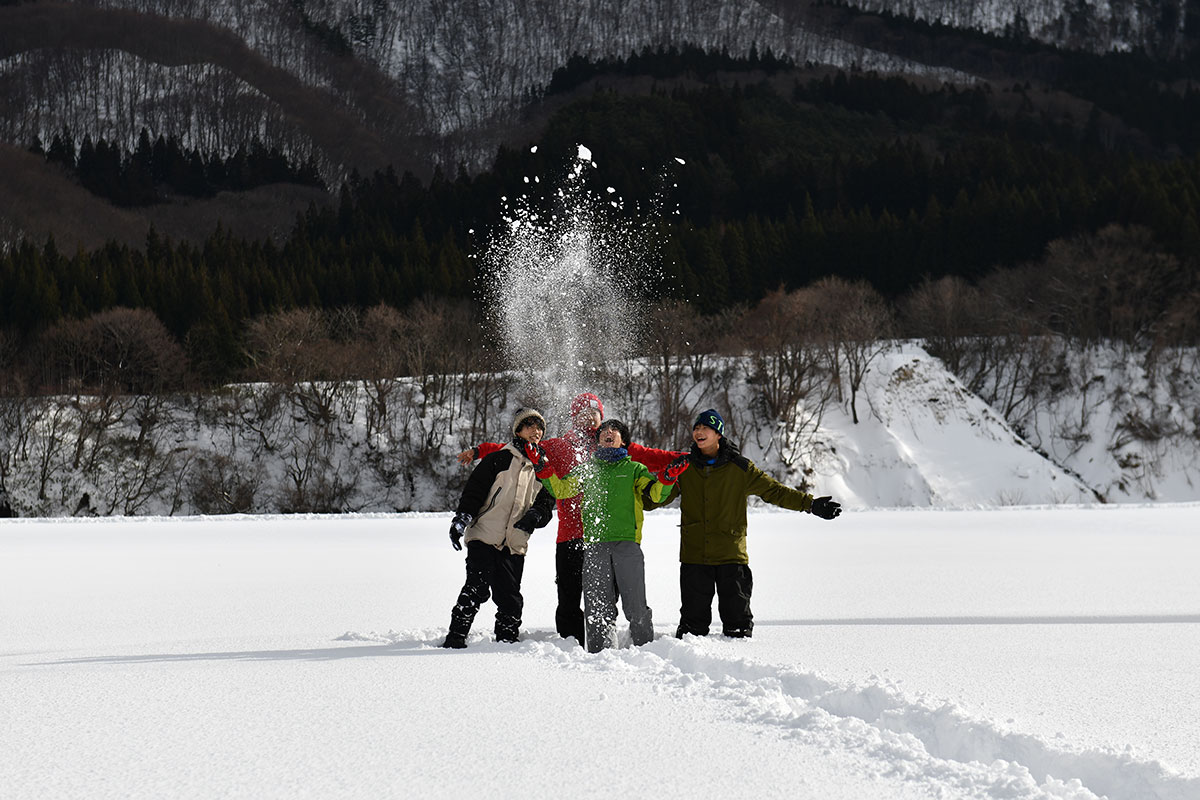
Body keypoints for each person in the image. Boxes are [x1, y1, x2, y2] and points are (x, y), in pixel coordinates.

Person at [457, 392, 681, 645]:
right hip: (570, 535)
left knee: (612, 596)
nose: (589, 419)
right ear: (575, 418)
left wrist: (688, 458)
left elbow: (654, 456)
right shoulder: (560, 446)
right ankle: (571, 644)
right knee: (569, 596)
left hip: (608, 536)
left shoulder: (614, 444)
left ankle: (619, 641)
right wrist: (480, 450)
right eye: (582, 414)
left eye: (593, 414)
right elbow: (516, 450)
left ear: (601, 417)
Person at [670, 408, 842, 639]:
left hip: (731, 554)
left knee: (738, 626)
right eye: (696, 428)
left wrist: (810, 504)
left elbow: (774, 491)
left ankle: (744, 668)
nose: (699, 432)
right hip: (694, 555)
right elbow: (656, 496)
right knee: (692, 629)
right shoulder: (684, 466)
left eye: (706, 428)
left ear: (718, 434)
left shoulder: (740, 468)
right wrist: (653, 485)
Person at [536, 419, 683, 653]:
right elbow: (562, 490)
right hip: (594, 546)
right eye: (604, 430)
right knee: (597, 608)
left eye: (614, 430)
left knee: (635, 606)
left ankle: (646, 652)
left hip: (627, 544)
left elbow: (655, 494)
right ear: (598, 441)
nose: (608, 432)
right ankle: (600, 656)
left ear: (623, 440)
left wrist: (666, 479)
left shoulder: (635, 469)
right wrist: (544, 470)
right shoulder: (587, 470)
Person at [441, 408, 555, 649]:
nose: (536, 430)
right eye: (530, 425)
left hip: (515, 542)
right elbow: (475, 490)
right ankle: (455, 639)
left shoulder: (544, 468)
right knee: (476, 587)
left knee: (510, 599)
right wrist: (461, 519)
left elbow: (547, 503)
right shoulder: (498, 458)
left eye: (540, 427)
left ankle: (507, 644)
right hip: (484, 533)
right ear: (518, 430)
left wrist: (535, 516)